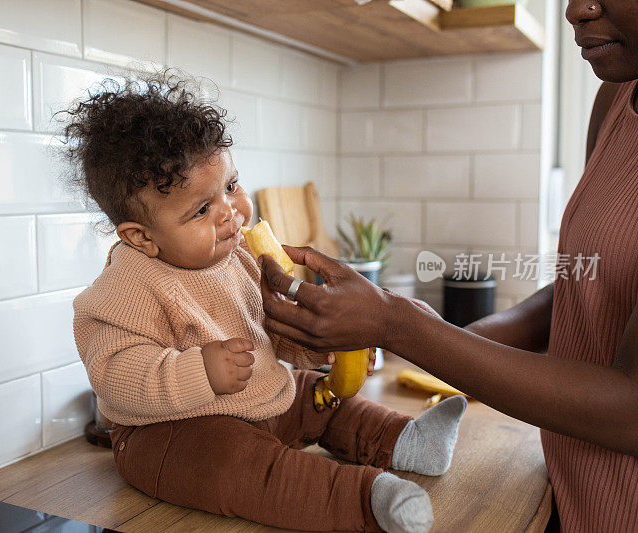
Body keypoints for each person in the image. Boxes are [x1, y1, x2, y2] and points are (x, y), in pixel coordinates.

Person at [257, 1, 638, 531]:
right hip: (566, 487)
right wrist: (457, 342)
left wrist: (401, 324)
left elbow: (631, 410)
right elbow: (590, 283)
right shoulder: (616, 98)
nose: (575, 9)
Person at [64, 72, 467, 533]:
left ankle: (409, 440)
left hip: (265, 401)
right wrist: (200, 372)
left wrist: (320, 347)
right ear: (142, 237)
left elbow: (271, 329)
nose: (231, 211)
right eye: (201, 210)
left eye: (231, 187)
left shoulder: (238, 256)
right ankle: (366, 500)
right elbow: (116, 378)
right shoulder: (125, 288)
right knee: (243, 467)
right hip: (176, 434)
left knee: (317, 397)